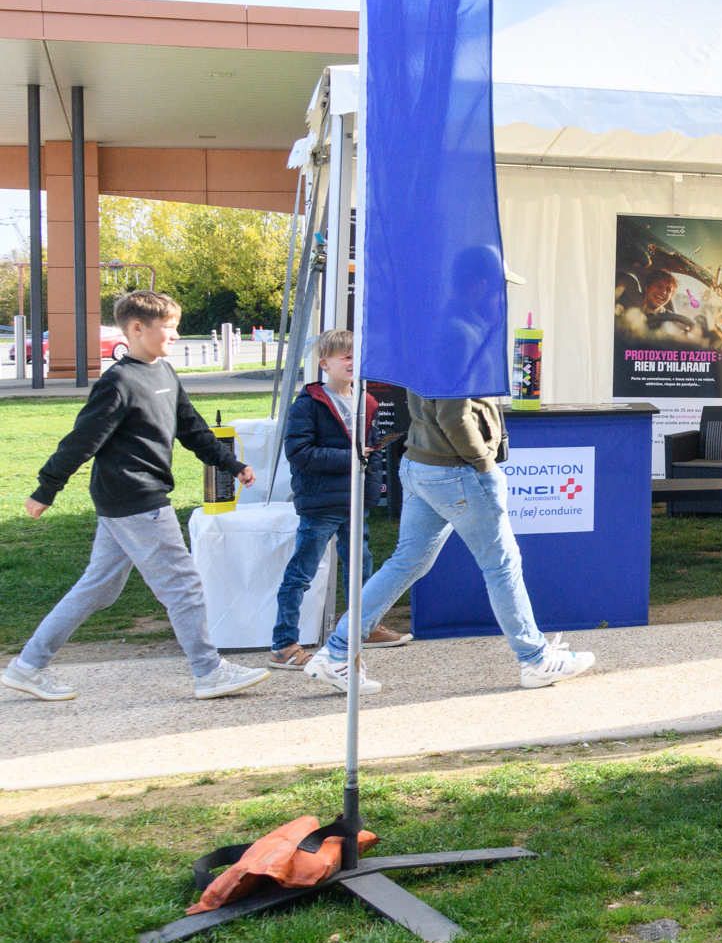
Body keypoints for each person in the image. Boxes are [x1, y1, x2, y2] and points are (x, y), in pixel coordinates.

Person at [3, 290, 270, 703]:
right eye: (169, 327)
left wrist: (230, 463)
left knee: (97, 589)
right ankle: (208, 671)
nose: (176, 335)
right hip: (136, 499)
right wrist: (47, 488)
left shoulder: (163, 372)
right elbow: (81, 441)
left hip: (127, 503)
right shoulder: (118, 382)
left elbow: (192, 428)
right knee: (184, 586)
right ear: (137, 328)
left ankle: (27, 666)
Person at [306, 389, 595, 695]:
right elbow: (453, 415)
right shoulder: (458, 341)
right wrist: (483, 462)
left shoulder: (428, 342)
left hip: (422, 463)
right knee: (501, 565)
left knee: (407, 563)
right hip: (455, 468)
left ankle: (337, 651)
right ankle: (536, 660)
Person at [269, 329, 408, 669]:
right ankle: (283, 644)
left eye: (355, 356)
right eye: (344, 356)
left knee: (361, 567)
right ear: (324, 364)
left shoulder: (368, 402)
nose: (352, 362)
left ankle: (362, 627)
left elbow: (374, 455)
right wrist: (352, 454)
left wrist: (369, 495)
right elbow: (299, 453)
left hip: (355, 502)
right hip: (320, 504)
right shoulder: (307, 406)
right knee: (302, 573)